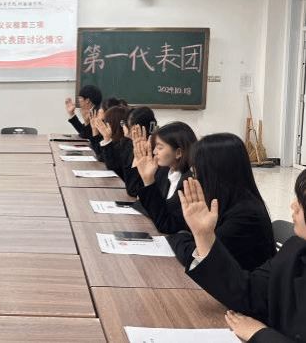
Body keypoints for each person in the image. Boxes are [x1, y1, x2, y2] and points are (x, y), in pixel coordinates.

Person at [180, 170, 306, 342]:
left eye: (302, 201)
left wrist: (260, 333)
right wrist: (204, 236)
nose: (293, 204)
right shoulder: (295, 248)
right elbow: (249, 293)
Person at [166, 133, 276, 271]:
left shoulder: (246, 215)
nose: (194, 177)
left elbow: (198, 256)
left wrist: (179, 237)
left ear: (215, 173)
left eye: (197, 171)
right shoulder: (226, 201)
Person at [131, 121, 197, 233]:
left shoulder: (189, 182)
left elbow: (166, 224)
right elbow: (139, 202)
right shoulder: (163, 172)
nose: (154, 152)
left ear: (178, 153)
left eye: (160, 148)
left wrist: (148, 181)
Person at [91, 105, 131, 180]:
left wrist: (106, 139)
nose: (104, 124)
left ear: (113, 124)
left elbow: (111, 165)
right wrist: (95, 131)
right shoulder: (114, 140)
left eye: (106, 122)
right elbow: (100, 156)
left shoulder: (123, 143)